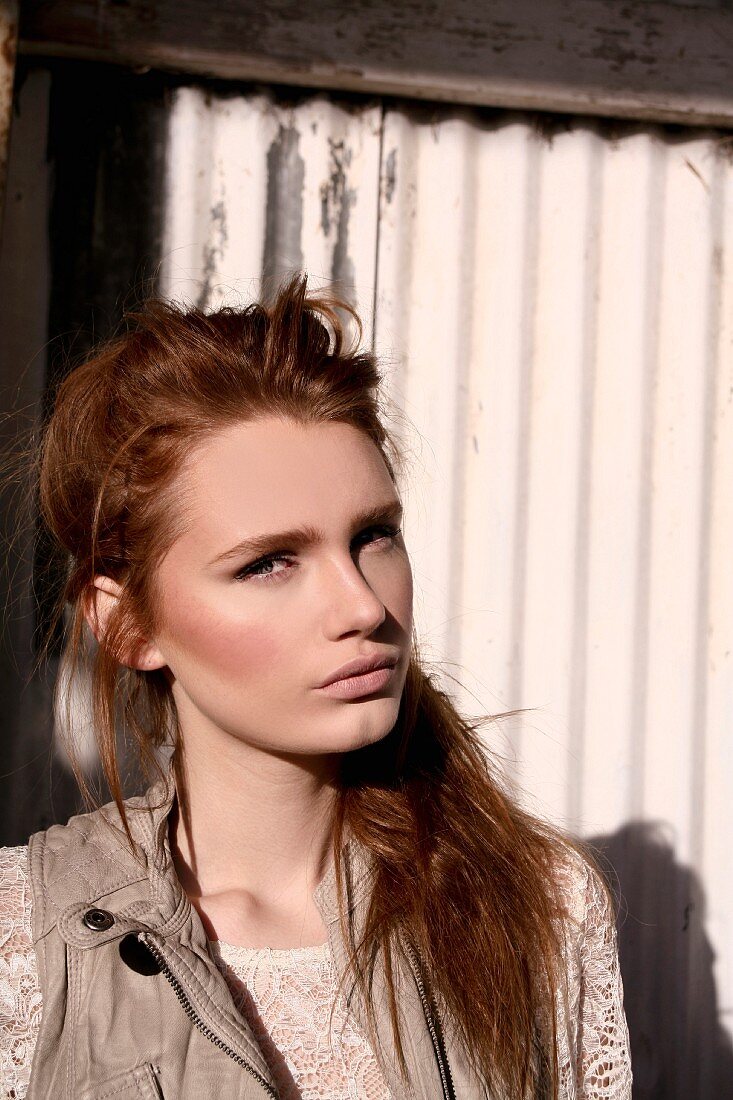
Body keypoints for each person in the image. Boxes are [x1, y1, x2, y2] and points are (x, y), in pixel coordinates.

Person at [0, 275, 632, 1099]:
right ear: (126, 627)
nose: (363, 605)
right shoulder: (22, 943)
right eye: (268, 562)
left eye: (374, 536)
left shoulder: (539, 906)